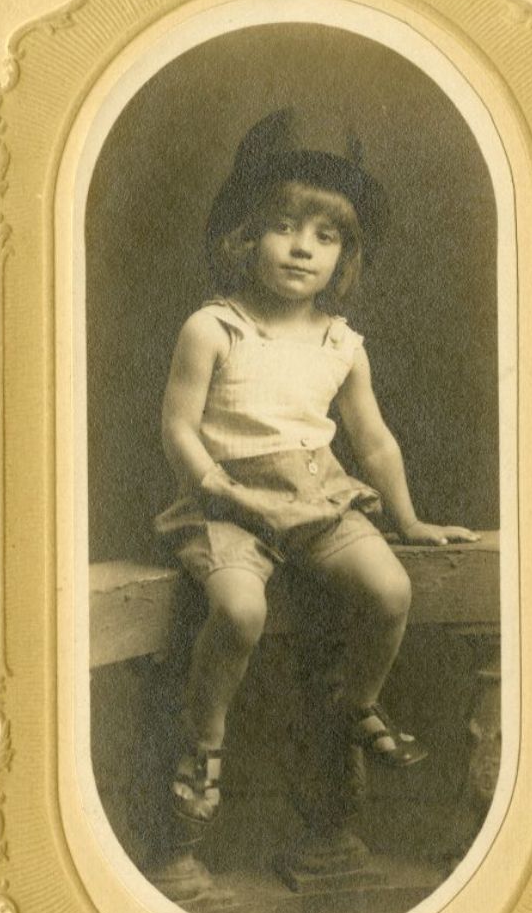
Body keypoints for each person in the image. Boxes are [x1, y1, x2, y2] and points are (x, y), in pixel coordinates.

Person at [155, 110, 479, 826]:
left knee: (390, 590)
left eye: (325, 236)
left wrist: (409, 520)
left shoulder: (341, 343)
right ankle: (204, 742)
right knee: (240, 610)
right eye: (284, 227)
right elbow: (178, 427)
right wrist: (219, 490)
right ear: (247, 237)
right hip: (229, 501)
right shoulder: (214, 327)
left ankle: (356, 705)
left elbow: (374, 440)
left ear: (343, 256)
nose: (303, 248)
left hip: (318, 494)